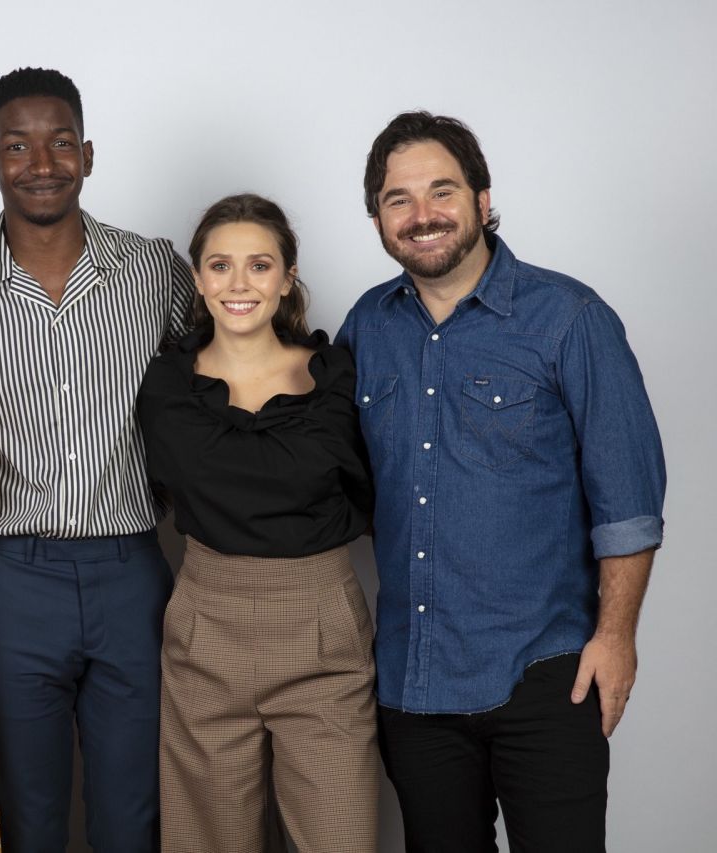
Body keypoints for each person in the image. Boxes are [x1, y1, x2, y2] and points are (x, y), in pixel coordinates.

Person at [336, 111, 666, 852]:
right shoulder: (366, 325)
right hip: (414, 682)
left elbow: (629, 503)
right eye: (398, 199)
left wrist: (617, 636)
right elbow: (347, 480)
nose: (423, 216)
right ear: (378, 218)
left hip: (547, 674)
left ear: (483, 200)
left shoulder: (570, 319)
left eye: (442, 191)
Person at [0, 67, 193, 851]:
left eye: (58, 142)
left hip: (133, 572)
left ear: (87, 153)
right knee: (25, 810)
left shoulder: (154, 269)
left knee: (135, 810)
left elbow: (215, 382)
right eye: (17, 146)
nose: (40, 163)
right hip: (12, 577)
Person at [136, 193, 379, 852]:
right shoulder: (165, 385)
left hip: (322, 625)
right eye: (220, 266)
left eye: (259, 265)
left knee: (342, 838)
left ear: (287, 276)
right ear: (198, 278)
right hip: (206, 626)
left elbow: (371, 492)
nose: (239, 284)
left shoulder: (338, 380)